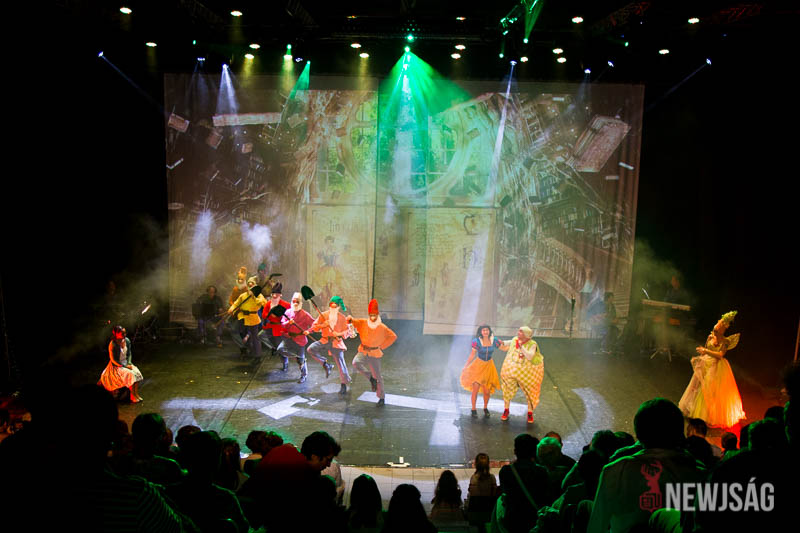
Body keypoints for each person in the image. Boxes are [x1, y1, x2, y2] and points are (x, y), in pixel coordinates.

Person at [588, 398, 706, 533]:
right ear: (679, 433)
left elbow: (596, 525)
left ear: (638, 433)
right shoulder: (699, 473)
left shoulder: (615, 470)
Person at [678, 310, 746, 428]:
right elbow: (706, 349)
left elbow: (720, 355)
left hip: (716, 366)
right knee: (699, 387)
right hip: (706, 363)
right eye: (716, 328)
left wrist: (706, 351)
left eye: (718, 328)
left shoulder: (725, 341)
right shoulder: (710, 337)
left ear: (723, 330)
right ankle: (696, 411)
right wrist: (702, 354)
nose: (715, 330)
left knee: (710, 390)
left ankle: (709, 415)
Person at [493, 434, 549, 533]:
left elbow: (505, 493)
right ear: (533, 452)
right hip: (534, 519)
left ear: (515, 451)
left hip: (513, 520)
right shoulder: (541, 472)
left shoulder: (506, 471)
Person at [347, 299, 398, 406]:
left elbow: (393, 336)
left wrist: (382, 346)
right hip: (363, 350)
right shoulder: (363, 323)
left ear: (377, 315)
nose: (372, 317)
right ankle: (371, 378)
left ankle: (381, 397)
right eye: (371, 315)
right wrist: (350, 319)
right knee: (356, 362)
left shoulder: (382, 327)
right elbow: (354, 321)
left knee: (378, 376)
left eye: (374, 315)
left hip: (374, 353)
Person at [305, 296, 353, 394]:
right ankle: (326, 364)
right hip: (325, 340)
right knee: (311, 349)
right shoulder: (323, 315)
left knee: (341, 364)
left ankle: (344, 383)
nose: (333, 308)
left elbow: (347, 331)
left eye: (335, 306)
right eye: (331, 306)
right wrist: (323, 325)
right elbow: (314, 327)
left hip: (336, 342)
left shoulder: (342, 318)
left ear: (338, 307)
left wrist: (338, 334)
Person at [499, 326, 543, 424]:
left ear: (526, 334)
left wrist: (521, 347)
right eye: (519, 331)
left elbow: (530, 356)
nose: (518, 333)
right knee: (507, 389)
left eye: (521, 332)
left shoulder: (532, 344)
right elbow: (508, 343)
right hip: (512, 370)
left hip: (526, 372)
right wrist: (501, 342)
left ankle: (530, 412)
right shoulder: (515, 339)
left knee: (529, 392)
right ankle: (506, 410)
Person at [460, 324, 503, 418]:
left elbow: (503, 347)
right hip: (478, 366)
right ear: (481, 332)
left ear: (489, 331)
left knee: (487, 391)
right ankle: (473, 409)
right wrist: (465, 366)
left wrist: (513, 344)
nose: (485, 332)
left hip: (489, 366)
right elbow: (472, 355)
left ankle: (485, 407)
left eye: (487, 330)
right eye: (483, 330)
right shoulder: (477, 341)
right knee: (475, 389)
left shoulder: (494, 340)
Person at [98, 325, 143, 403]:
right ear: (116, 334)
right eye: (122, 333)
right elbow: (113, 360)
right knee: (130, 374)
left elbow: (129, 354)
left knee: (137, 372)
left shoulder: (127, 340)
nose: (124, 334)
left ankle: (136, 394)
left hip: (126, 363)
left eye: (125, 333)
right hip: (116, 366)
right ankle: (132, 396)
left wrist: (129, 363)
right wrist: (125, 366)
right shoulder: (113, 344)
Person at [228, 276, 268, 360]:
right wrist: (231, 309)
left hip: (253, 318)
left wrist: (254, 296)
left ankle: (257, 355)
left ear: (254, 285)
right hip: (242, 317)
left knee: (254, 337)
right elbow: (236, 303)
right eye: (249, 284)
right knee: (237, 331)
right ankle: (245, 350)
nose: (250, 285)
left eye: (252, 284)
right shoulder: (243, 295)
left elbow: (264, 304)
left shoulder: (259, 295)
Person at [277, 292, 314, 382]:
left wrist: (308, 331)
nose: (295, 303)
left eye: (297, 301)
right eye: (294, 301)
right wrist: (288, 322)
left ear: (300, 302)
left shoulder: (305, 314)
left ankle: (303, 375)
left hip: (300, 339)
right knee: (280, 349)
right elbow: (282, 324)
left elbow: (314, 325)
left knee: (301, 360)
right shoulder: (287, 312)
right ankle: (297, 357)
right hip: (288, 337)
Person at [258, 282, 289, 357]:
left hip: (280, 327)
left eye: (277, 294)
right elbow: (264, 315)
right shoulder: (268, 304)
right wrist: (270, 314)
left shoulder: (286, 304)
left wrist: (280, 316)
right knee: (261, 335)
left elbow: (289, 315)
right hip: (270, 326)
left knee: (281, 346)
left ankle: (284, 358)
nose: (274, 296)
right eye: (273, 294)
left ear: (280, 295)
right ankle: (273, 348)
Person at [227, 266, 249, 355]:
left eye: (241, 279)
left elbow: (246, 303)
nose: (240, 281)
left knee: (237, 330)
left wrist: (239, 308)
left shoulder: (246, 290)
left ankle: (243, 348)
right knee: (229, 323)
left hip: (242, 314)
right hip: (235, 312)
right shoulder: (235, 289)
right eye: (239, 279)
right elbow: (231, 300)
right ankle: (242, 346)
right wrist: (233, 306)